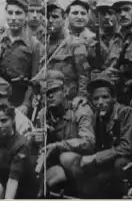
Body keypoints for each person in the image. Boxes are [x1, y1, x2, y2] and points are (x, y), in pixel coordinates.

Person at [73, 72, 132, 198]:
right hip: (109, 160)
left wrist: (96, 157)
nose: (100, 102)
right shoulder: (98, 117)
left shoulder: (126, 113)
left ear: (114, 98)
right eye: (96, 99)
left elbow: (127, 147)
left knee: (118, 165)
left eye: (105, 97)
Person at [32, 69, 94, 197]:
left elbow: (89, 142)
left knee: (67, 158)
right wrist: (35, 141)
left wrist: (59, 145)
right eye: (45, 93)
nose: (49, 96)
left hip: (83, 163)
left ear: (65, 90)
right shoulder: (43, 114)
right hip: (56, 162)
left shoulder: (79, 109)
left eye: (54, 91)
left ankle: (86, 195)